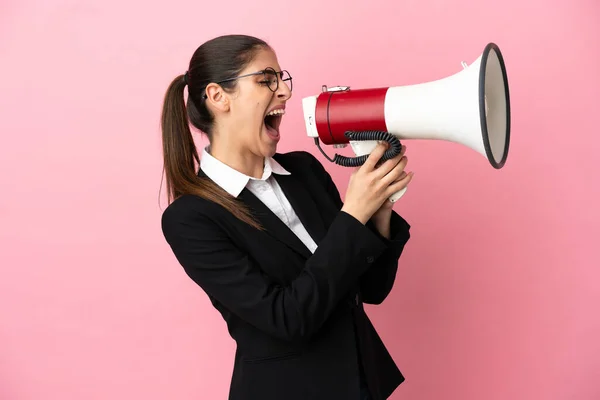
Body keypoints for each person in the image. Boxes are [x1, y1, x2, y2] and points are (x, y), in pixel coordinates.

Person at [159, 34, 414, 400]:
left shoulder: (305, 170)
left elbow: (371, 290)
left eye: (281, 79)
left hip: (361, 385)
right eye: (265, 80)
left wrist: (378, 211)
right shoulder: (191, 218)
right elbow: (287, 319)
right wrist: (353, 214)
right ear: (218, 97)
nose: (284, 93)